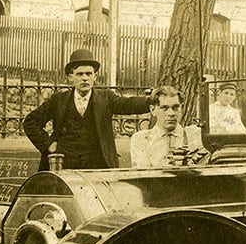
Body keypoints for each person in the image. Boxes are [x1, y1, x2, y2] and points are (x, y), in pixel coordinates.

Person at [23, 49, 151, 170]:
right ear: (70, 77)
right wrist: (48, 145)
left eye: (89, 74)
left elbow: (128, 104)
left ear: (95, 77)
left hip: (97, 165)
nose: (85, 78)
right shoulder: (58, 100)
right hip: (65, 165)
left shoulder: (106, 98)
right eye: (79, 74)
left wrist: (152, 101)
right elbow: (30, 122)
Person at [130, 85, 205, 168]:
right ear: (153, 110)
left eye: (175, 107)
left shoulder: (195, 135)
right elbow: (144, 175)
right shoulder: (142, 139)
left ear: (182, 108)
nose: (171, 113)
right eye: (164, 108)